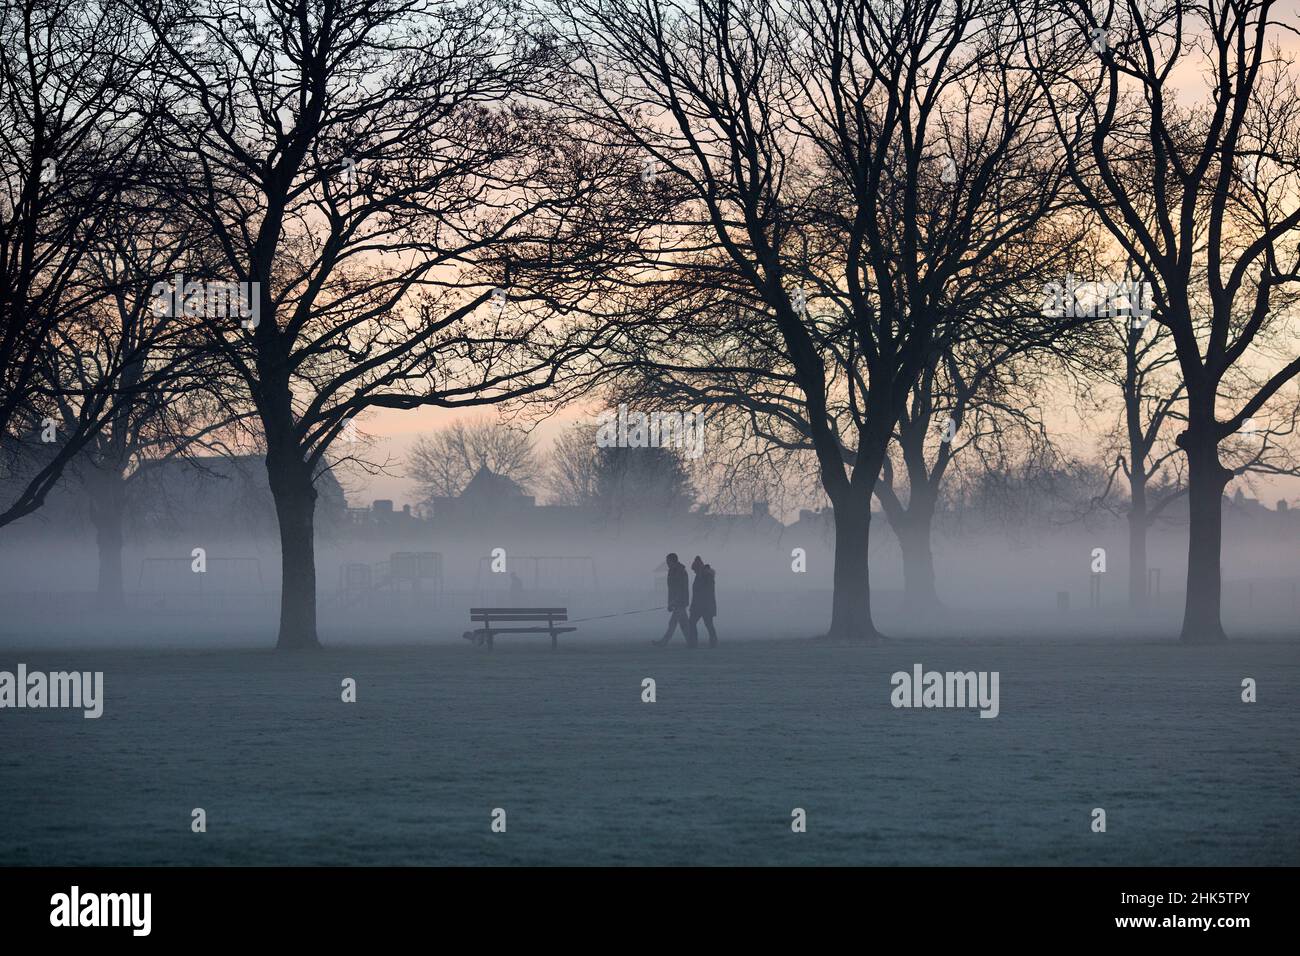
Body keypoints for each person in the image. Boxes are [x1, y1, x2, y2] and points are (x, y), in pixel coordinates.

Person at [653, 553, 694, 646]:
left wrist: (675, 601)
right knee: (684, 624)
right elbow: (671, 589)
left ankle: (664, 642)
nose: (667, 563)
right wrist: (670, 603)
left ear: (673, 561)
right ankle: (691, 642)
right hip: (677, 602)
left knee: (673, 623)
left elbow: (681, 588)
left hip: (680, 602)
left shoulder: (680, 571)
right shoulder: (672, 571)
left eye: (668, 561)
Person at [689, 555, 718, 647]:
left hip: (704, 606)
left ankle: (696, 642)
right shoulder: (701, 575)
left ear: (698, 568)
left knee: (705, 624)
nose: (694, 571)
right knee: (705, 624)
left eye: (694, 569)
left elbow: (706, 592)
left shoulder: (706, 576)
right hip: (700, 605)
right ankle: (710, 642)